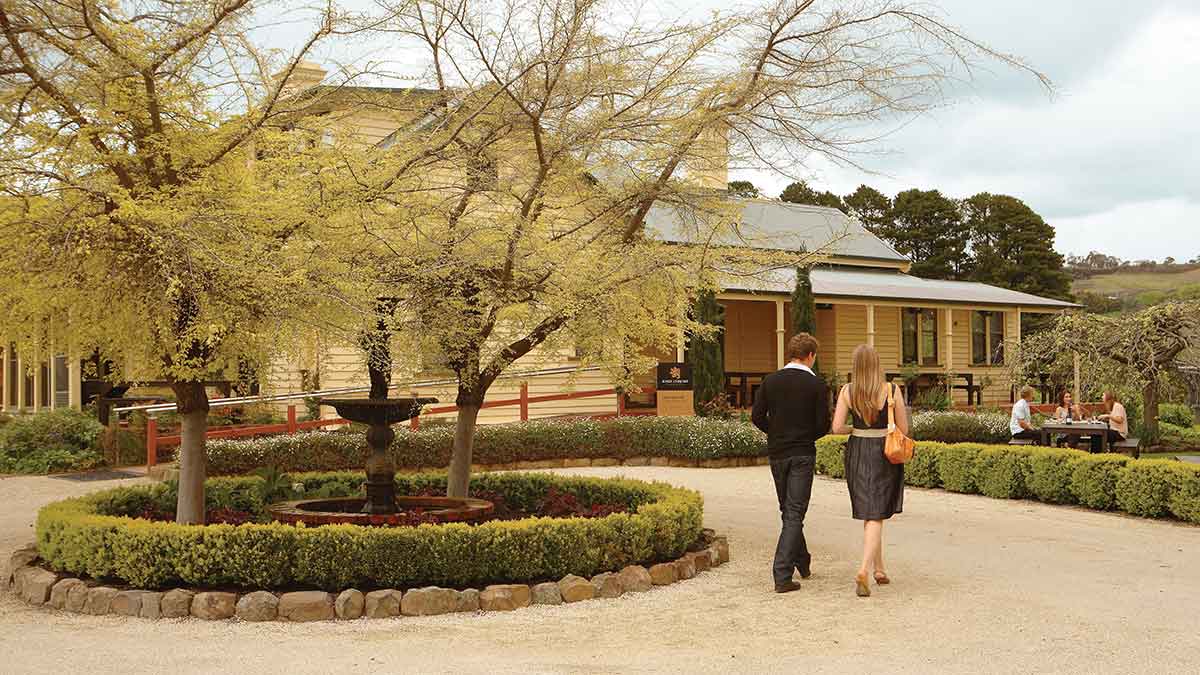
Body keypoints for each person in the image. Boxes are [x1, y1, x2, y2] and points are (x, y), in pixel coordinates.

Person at [751, 333, 830, 594]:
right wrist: (806, 435)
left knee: (788, 511)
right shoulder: (817, 385)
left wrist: (775, 432)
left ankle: (803, 562)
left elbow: (756, 416)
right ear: (810, 356)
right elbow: (823, 424)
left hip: (778, 453)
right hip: (802, 454)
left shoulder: (770, 381)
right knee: (794, 512)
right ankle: (782, 574)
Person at [831, 344, 907, 598]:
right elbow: (904, 429)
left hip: (858, 450)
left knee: (870, 511)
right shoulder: (891, 390)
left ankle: (880, 569)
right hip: (884, 452)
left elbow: (836, 426)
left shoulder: (847, 391)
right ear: (877, 364)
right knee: (876, 514)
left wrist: (854, 430)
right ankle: (864, 569)